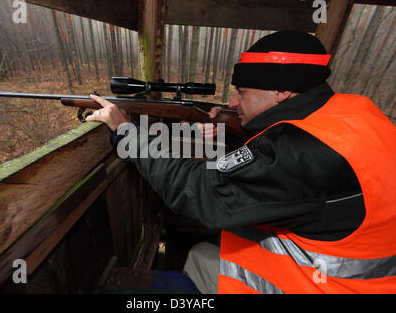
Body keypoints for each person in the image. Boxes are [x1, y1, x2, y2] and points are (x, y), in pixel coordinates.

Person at [86, 30, 396, 294]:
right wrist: (235, 135)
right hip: (356, 277)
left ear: (282, 91)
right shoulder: (355, 114)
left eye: (241, 92)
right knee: (199, 255)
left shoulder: (302, 150)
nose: (233, 103)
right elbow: (292, 177)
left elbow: (200, 194)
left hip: (317, 285)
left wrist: (127, 132)